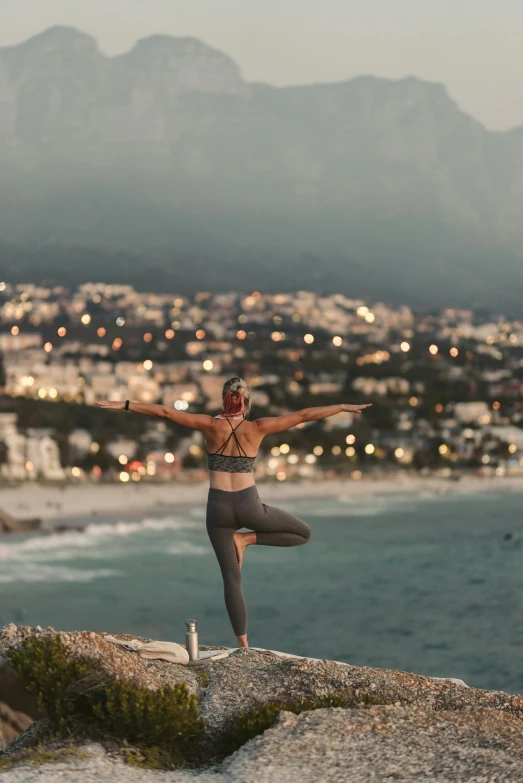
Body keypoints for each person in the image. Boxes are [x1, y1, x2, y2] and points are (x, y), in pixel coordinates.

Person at [96, 377, 371, 648]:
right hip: (248, 504)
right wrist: (342, 407)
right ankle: (247, 539)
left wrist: (124, 404)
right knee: (303, 533)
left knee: (231, 578)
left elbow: (165, 412)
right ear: (246, 401)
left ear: (223, 400)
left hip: (217, 510)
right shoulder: (258, 427)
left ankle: (243, 644)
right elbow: (303, 416)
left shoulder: (209, 425)